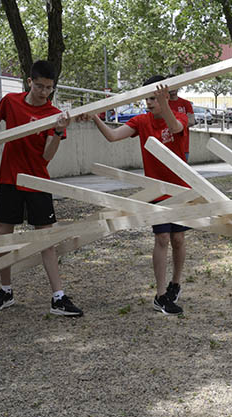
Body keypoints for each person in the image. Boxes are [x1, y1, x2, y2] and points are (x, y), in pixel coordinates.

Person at [0, 60, 82, 317]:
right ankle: (5, 291)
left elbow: (46, 157)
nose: (44, 92)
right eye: (40, 86)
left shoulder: (54, 114)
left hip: (37, 181)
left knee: (46, 240)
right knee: (4, 237)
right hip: (10, 179)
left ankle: (58, 297)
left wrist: (57, 133)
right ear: (29, 82)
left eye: (49, 88)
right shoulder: (11, 101)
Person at [80, 76, 189, 315]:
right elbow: (112, 136)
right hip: (155, 190)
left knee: (178, 239)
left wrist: (166, 102)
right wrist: (96, 118)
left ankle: (175, 283)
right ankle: (160, 296)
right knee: (161, 239)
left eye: (154, 98)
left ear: (165, 97)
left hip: (180, 189)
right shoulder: (141, 121)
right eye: (147, 98)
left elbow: (175, 128)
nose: (149, 103)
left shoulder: (179, 116)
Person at [168, 88, 194, 160]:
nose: (173, 88)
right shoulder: (163, 104)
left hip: (183, 146)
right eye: (170, 86)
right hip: (167, 145)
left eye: (175, 85)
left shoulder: (186, 103)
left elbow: (191, 121)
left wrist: (175, 125)